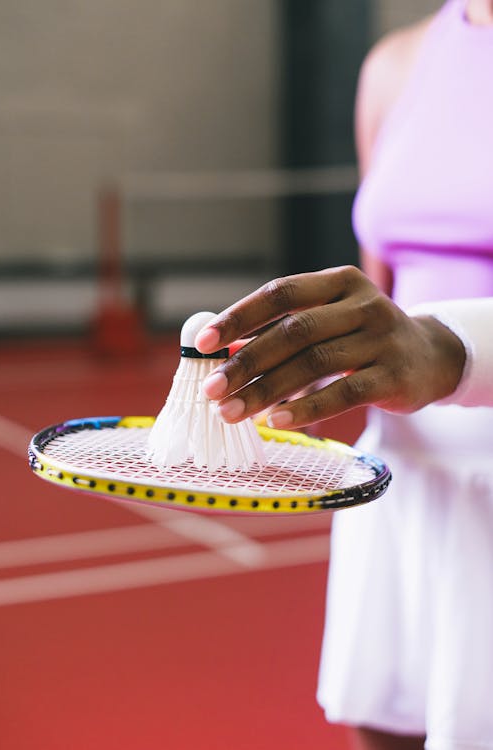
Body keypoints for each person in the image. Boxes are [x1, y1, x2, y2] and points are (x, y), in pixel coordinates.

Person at [194, 1, 493, 747]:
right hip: (404, 476)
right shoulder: (394, 67)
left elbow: (425, 338)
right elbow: (386, 298)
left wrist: (448, 350)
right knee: (383, 727)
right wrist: (316, 366)